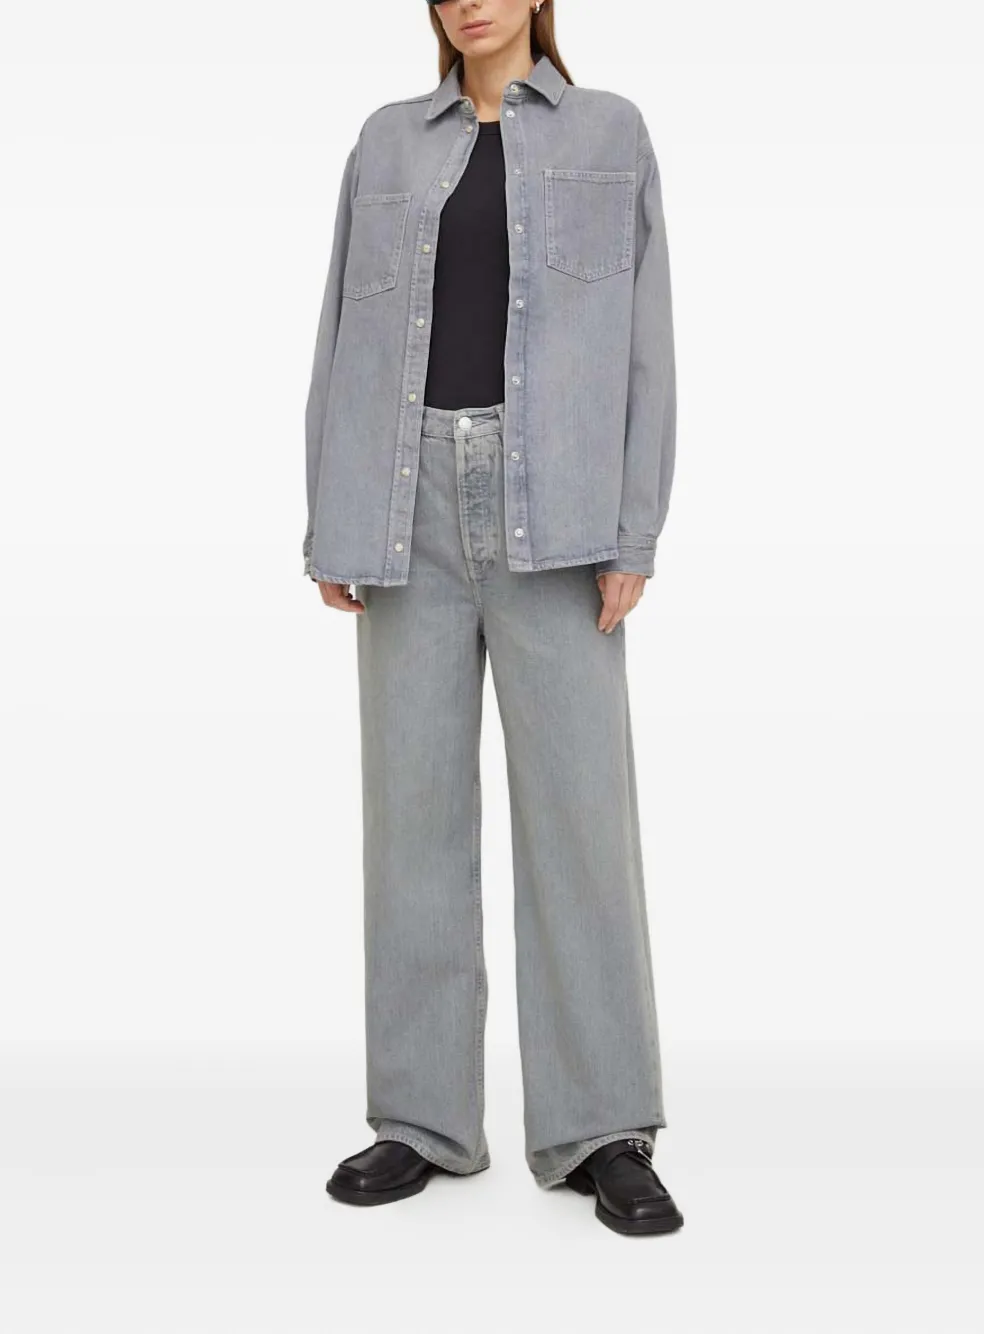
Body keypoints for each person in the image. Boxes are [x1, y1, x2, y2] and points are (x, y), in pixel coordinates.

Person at [303, 0, 683, 1237]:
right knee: (410, 821)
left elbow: (646, 348)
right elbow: (343, 334)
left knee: (580, 825)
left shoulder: (610, 133)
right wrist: (333, 515)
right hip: (401, 502)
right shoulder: (385, 142)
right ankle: (420, 1119)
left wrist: (633, 532)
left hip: (555, 511)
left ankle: (602, 1127)